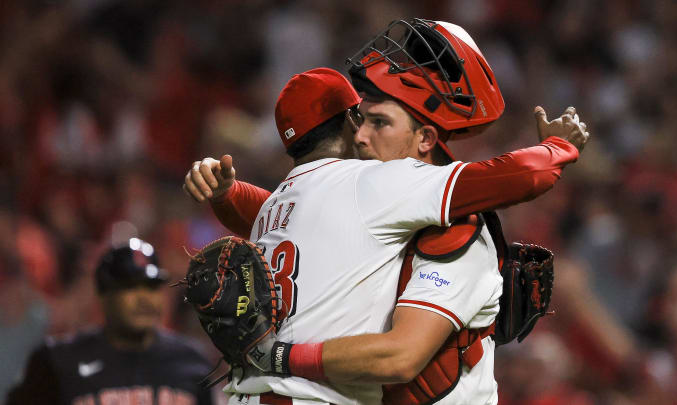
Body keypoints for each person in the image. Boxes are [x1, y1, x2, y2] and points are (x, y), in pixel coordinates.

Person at [183, 20, 588, 405]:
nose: (360, 134)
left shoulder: (448, 221)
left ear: (425, 138)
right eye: (360, 119)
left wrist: (559, 147)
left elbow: (399, 357)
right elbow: (290, 212)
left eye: (378, 122)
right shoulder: (363, 194)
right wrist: (228, 192)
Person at [6, 238, 214, 405]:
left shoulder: (192, 362)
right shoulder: (58, 362)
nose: (143, 298)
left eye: (151, 287)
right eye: (130, 287)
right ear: (104, 295)